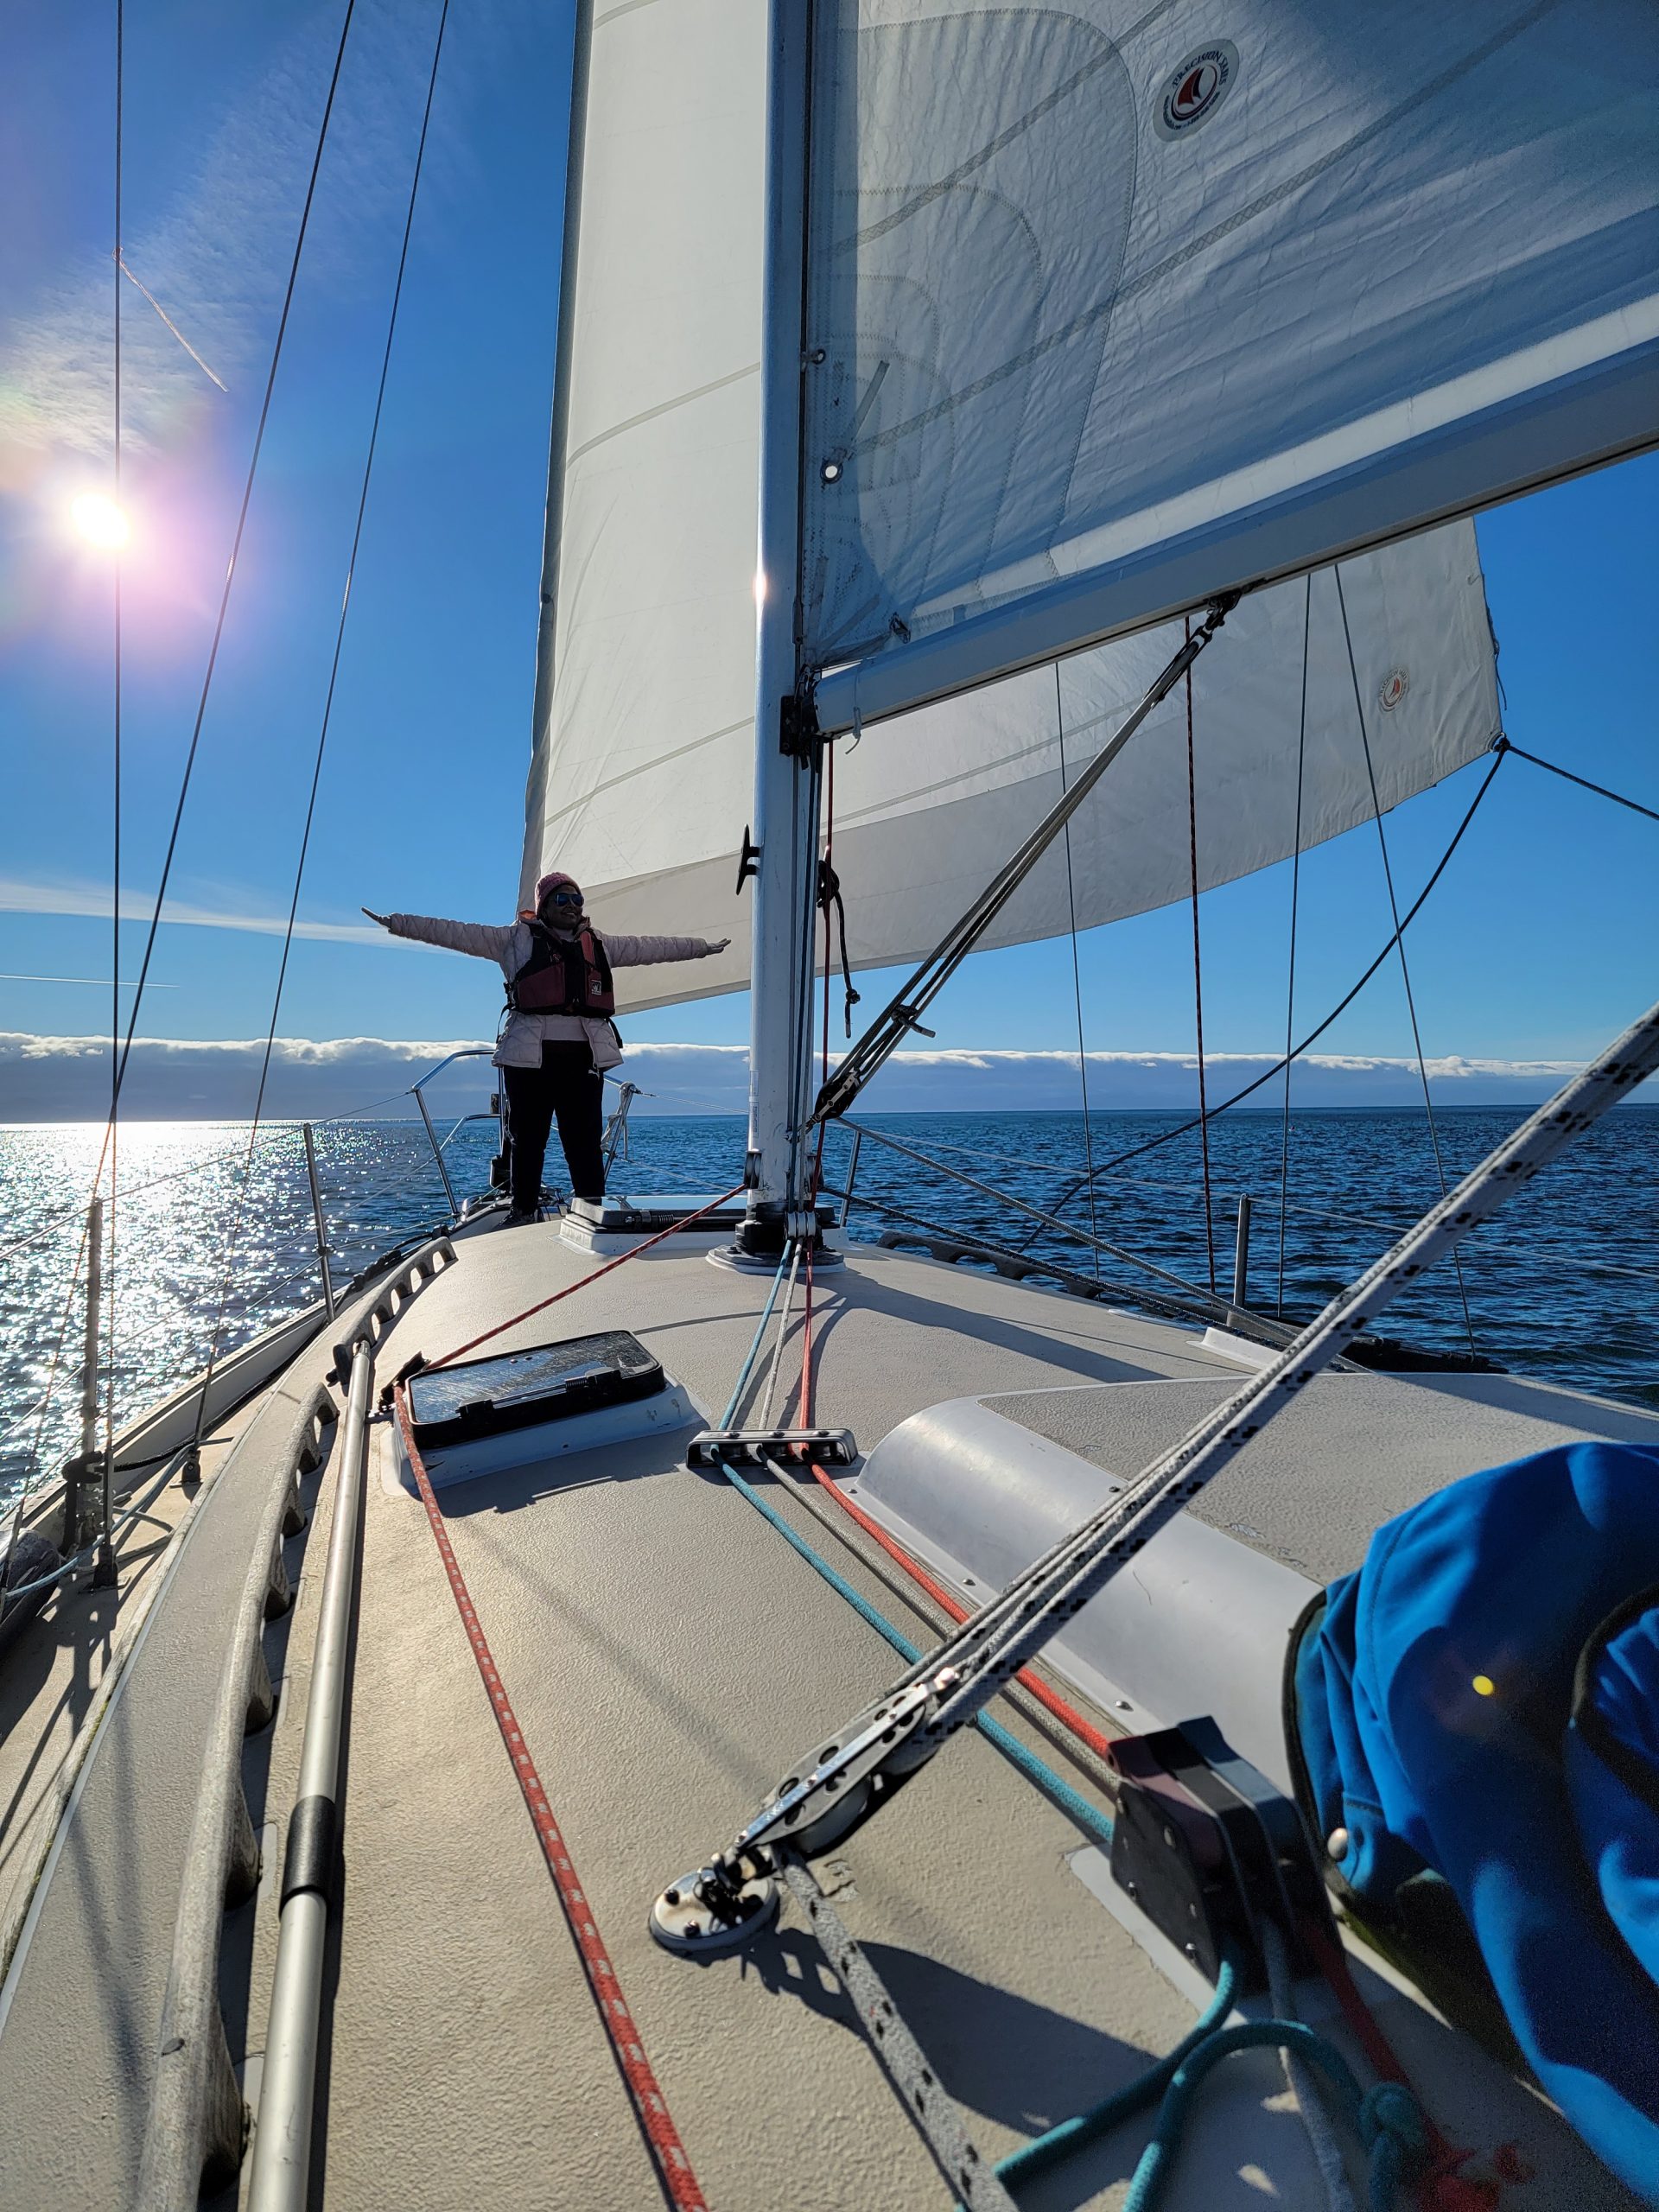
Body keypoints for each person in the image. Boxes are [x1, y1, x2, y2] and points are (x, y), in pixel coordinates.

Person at [364, 873, 728, 1226]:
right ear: (543, 906)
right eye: (562, 899)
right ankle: (522, 1211)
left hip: (583, 1055)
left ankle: (593, 1211)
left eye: (577, 899)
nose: (572, 906)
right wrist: (396, 923)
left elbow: (652, 948)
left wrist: (701, 949)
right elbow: (453, 933)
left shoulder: (600, 943)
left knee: (583, 1142)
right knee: (528, 1139)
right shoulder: (512, 941)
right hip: (529, 1057)